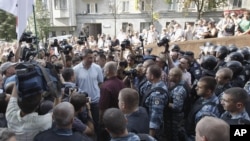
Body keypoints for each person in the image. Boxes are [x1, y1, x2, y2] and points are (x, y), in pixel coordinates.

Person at [73, 49, 104, 136]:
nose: (91, 60)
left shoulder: (97, 68)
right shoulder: (75, 69)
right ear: (83, 57)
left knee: (96, 123)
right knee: (84, 125)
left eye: (93, 58)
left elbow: (100, 83)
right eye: (89, 58)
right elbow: (74, 86)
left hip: (95, 101)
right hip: (82, 103)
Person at [185, 76, 221, 141]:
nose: (196, 88)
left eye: (200, 87)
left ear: (208, 91)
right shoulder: (204, 97)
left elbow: (204, 131)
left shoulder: (207, 110)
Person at [99, 61, 125, 141]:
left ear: (107, 71)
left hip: (109, 119)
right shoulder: (122, 83)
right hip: (121, 116)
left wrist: (100, 121)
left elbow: (103, 107)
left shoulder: (106, 86)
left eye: (104, 69)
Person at [143, 64, 168, 137]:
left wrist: (150, 137)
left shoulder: (157, 94)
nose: (145, 74)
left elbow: (155, 117)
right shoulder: (154, 84)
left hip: (153, 131)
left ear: (152, 76)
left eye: (147, 73)